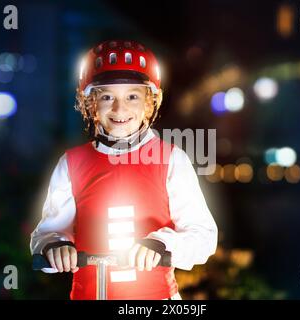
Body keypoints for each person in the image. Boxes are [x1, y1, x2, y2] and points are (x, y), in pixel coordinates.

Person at [30, 40, 218, 300]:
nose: (120, 109)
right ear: (91, 103)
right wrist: (55, 246)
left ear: (150, 102)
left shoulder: (172, 160)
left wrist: (161, 244)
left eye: (132, 96)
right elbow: (47, 232)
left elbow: (203, 236)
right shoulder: (72, 163)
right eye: (107, 97)